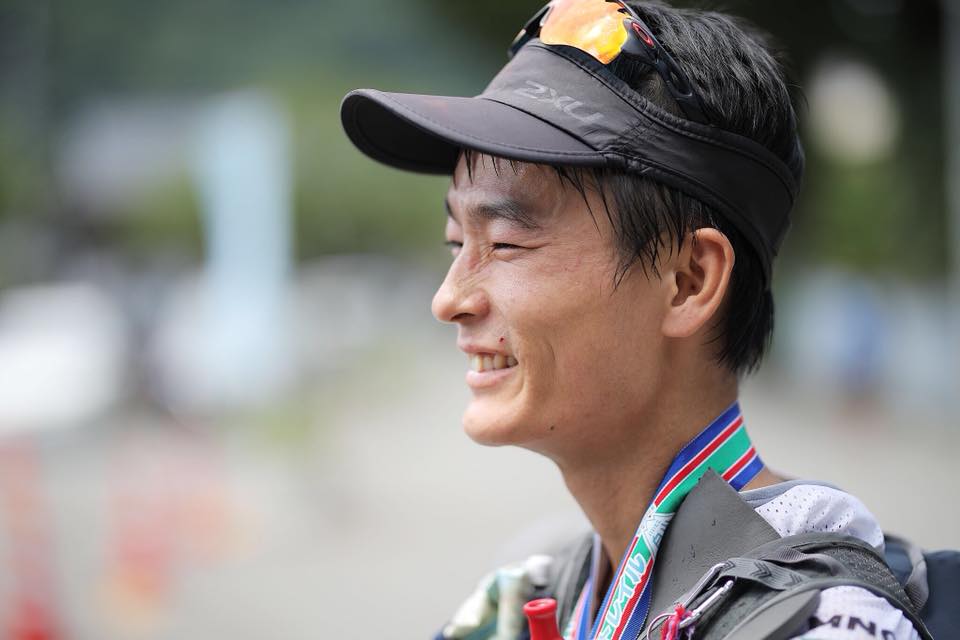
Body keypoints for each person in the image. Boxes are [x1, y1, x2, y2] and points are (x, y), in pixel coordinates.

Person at [340, 1, 935, 638]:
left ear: (689, 281)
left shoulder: (822, 621)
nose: (448, 299)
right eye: (457, 243)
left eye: (505, 243)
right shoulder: (526, 598)